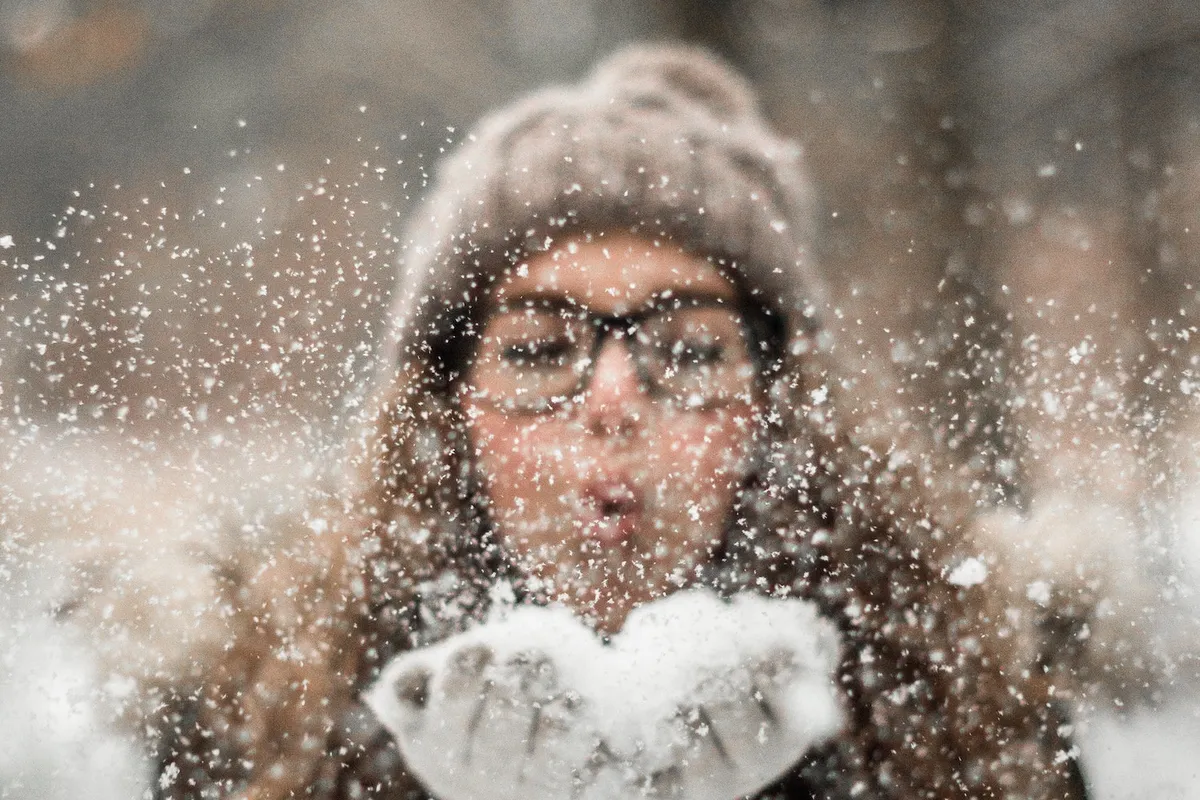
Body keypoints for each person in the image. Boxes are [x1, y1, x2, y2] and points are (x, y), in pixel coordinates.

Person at [112, 45, 1089, 799]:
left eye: (692, 348)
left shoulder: (979, 710)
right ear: (447, 411)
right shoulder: (251, 719)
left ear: (778, 411)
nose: (614, 398)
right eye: (540, 348)